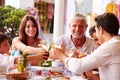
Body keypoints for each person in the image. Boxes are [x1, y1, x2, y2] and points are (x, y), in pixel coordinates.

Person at [49, 13, 120, 80]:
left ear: (100, 29)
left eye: (96, 30)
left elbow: (77, 67)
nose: (77, 29)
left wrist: (61, 56)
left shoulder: (110, 47)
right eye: (74, 26)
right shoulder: (115, 44)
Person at [53, 13, 98, 79]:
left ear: (86, 27)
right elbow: (50, 55)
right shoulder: (60, 40)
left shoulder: (93, 44)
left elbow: (98, 65)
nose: (77, 29)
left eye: (81, 26)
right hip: (63, 77)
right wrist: (66, 53)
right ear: (69, 26)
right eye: (74, 26)